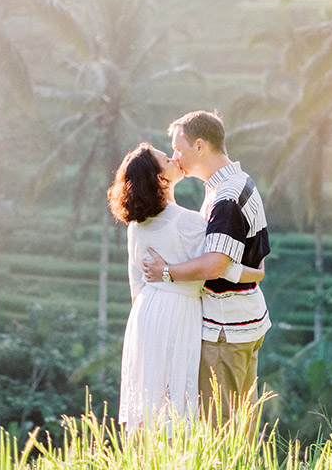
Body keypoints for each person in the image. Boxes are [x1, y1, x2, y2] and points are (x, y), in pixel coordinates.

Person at [108, 142, 263, 431]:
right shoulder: (189, 222)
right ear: (161, 179)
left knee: (149, 400)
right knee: (175, 402)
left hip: (145, 314)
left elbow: (136, 284)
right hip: (178, 313)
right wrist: (256, 273)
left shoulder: (136, 226)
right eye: (166, 158)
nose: (174, 158)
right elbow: (221, 266)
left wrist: (146, 329)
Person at [143, 110, 271, 421]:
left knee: (220, 428)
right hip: (248, 320)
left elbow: (215, 264)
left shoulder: (225, 197)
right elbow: (257, 257)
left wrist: (166, 272)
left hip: (226, 328)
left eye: (178, 148)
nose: (175, 157)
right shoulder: (241, 182)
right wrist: (253, 273)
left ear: (199, 146)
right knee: (242, 426)